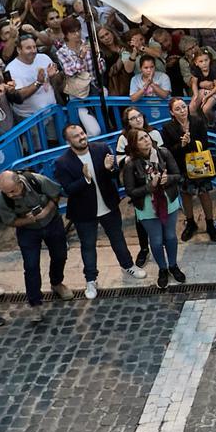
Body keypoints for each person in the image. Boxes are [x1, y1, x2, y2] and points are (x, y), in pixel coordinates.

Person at [54, 124, 146, 301]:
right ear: (68, 141)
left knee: (117, 238)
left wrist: (110, 168)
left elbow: (114, 176)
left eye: (82, 133)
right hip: (83, 213)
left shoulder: (101, 148)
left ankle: (128, 265)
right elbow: (67, 190)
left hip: (108, 205)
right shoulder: (62, 162)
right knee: (88, 246)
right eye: (76, 136)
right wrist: (85, 179)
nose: (81, 137)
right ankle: (90, 279)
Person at [0, 169, 69, 323]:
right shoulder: (2, 197)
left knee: (60, 255)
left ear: (19, 182)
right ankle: (35, 304)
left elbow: (56, 194)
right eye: (6, 192)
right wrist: (28, 220)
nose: (10, 195)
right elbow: (10, 221)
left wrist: (45, 211)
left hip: (52, 222)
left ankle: (57, 283)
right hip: (27, 231)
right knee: (31, 266)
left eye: (12, 191)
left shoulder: (36, 180)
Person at [121, 127, 187, 290]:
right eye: (141, 139)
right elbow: (130, 191)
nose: (146, 140)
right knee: (156, 240)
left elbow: (178, 175)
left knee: (171, 236)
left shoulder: (163, 153)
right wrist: (150, 187)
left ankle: (173, 265)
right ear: (135, 145)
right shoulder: (131, 165)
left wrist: (168, 179)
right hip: (147, 207)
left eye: (147, 136)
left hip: (168, 201)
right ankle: (162, 269)